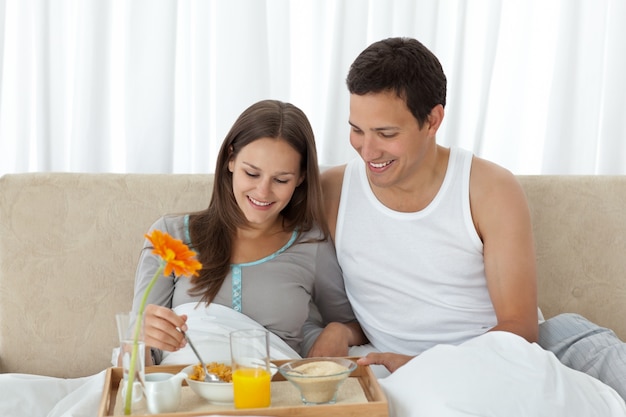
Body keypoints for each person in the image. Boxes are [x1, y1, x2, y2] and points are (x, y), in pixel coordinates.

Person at [320, 35, 626, 402]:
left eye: (386, 133)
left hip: (519, 353)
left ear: (432, 120)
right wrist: (344, 330)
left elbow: (518, 329)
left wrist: (428, 365)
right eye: (356, 130)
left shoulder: (488, 188)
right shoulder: (333, 193)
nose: (367, 150)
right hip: (410, 373)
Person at [132, 99, 366, 365]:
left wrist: (340, 331)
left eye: (281, 180)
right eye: (252, 174)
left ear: (301, 178)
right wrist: (141, 339)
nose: (263, 192)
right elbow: (135, 357)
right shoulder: (169, 235)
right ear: (231, 160)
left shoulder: (312, 244)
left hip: (269, 395)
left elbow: (356, 323)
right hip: (186, 394)